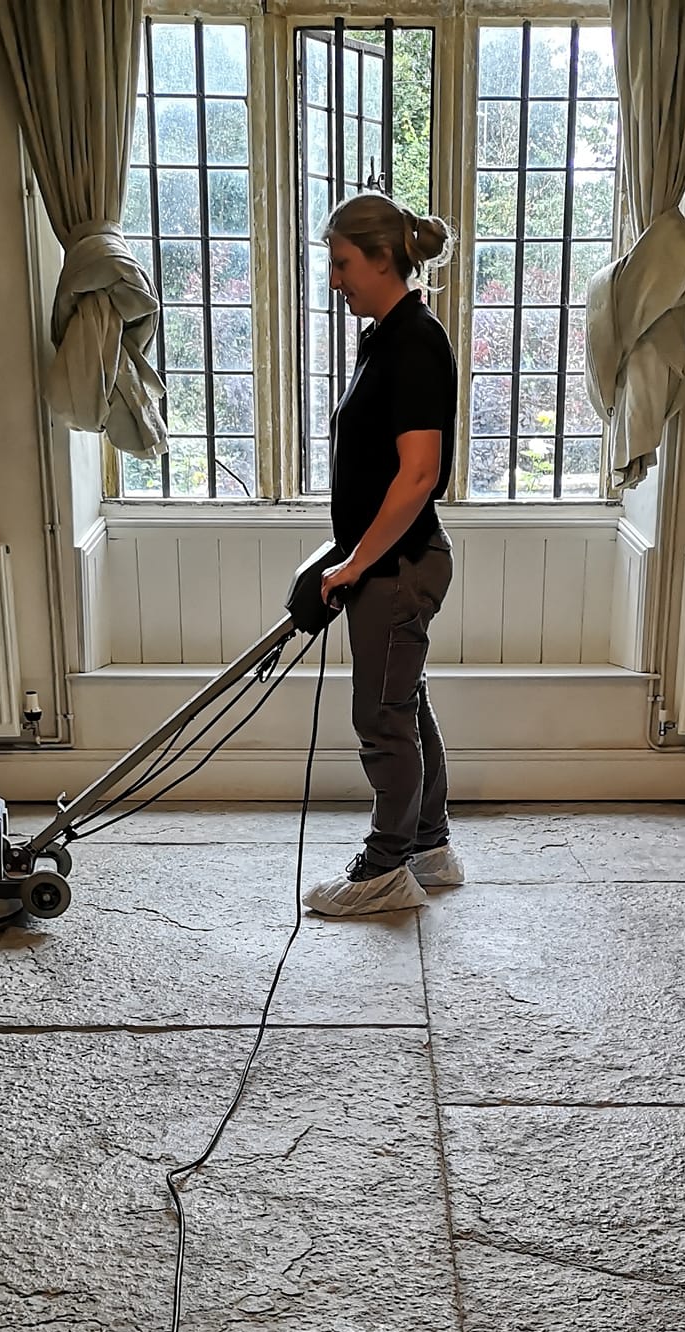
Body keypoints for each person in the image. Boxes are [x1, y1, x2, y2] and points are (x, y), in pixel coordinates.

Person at [304, 194, 463, 919]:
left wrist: (358, 563)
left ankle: (384, 868)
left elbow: (419, 474)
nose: (335, 279)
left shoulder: (415, 342)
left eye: (342, 263)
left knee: (381, 717)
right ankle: (429, 847)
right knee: (405, 706)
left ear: (380, 259)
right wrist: (347, 557)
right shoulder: (386, 336)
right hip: (389, 561)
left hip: (399, 567)